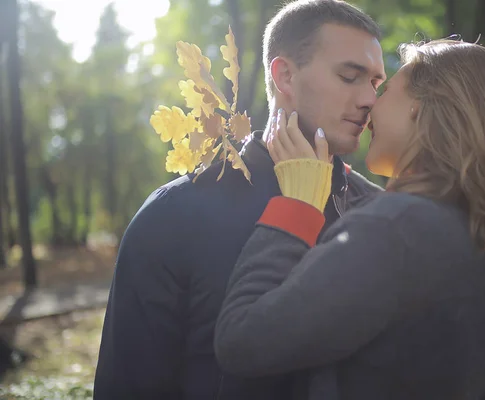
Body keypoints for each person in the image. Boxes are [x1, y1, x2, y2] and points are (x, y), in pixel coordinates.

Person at [214, 39, 485, 400]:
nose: (369, 103)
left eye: (387, 88)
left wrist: (298, 205)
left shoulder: (395, 229)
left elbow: (242, 341)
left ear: (418, 108)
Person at [93, 1, 386, 399]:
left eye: (376, 83)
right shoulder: (174, 215)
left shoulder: (380, 215)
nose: (370, 99)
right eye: (351, 77)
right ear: (284, 76)